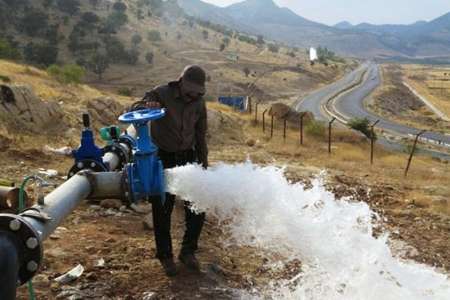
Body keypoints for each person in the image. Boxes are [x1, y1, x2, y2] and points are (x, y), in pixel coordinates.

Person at [129, 65, 208, 277]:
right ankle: (165, 257)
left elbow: (201, 135)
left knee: (197, 208)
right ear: (180, 81)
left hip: (188, 158)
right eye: (190, 89)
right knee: (162, 210)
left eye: (198, 91)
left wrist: (203, 164)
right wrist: (148, 105)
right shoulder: (161, 93)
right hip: (162, 158)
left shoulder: (199, 103)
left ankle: (188, 252)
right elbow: (135, 108)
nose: (193, 95)